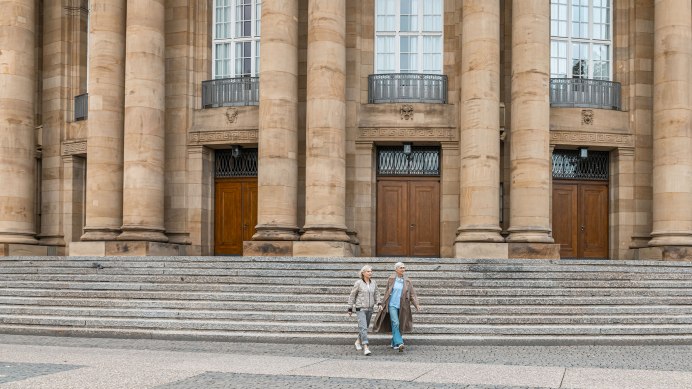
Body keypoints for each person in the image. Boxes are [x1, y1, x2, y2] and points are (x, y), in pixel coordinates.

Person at [374, 262, 421, 352]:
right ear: (396, 269)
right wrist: (382, 304)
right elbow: (387, 292)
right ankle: (399, 342)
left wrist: (416, 304)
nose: (403, 269)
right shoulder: (391, 279)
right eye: (401, 268)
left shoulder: (408, 281)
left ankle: (394, 343)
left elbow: (412, 294)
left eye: (404, 267)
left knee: (401, 324)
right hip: (392, 305)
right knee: (395, 323)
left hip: (404, 306)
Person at [348, 265, 382, 356]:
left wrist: (379, 303)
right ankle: (366, 346)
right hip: (360, 308)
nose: (370, 273)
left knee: (364, 327)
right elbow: (352, 295)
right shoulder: (358, 283)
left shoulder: (374, 283)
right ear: (363, 273)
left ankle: (357, 341)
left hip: (370, 308)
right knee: (363, 327)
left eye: (371, 271)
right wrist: (350, 307)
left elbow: (377, 293)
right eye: (368, 271)